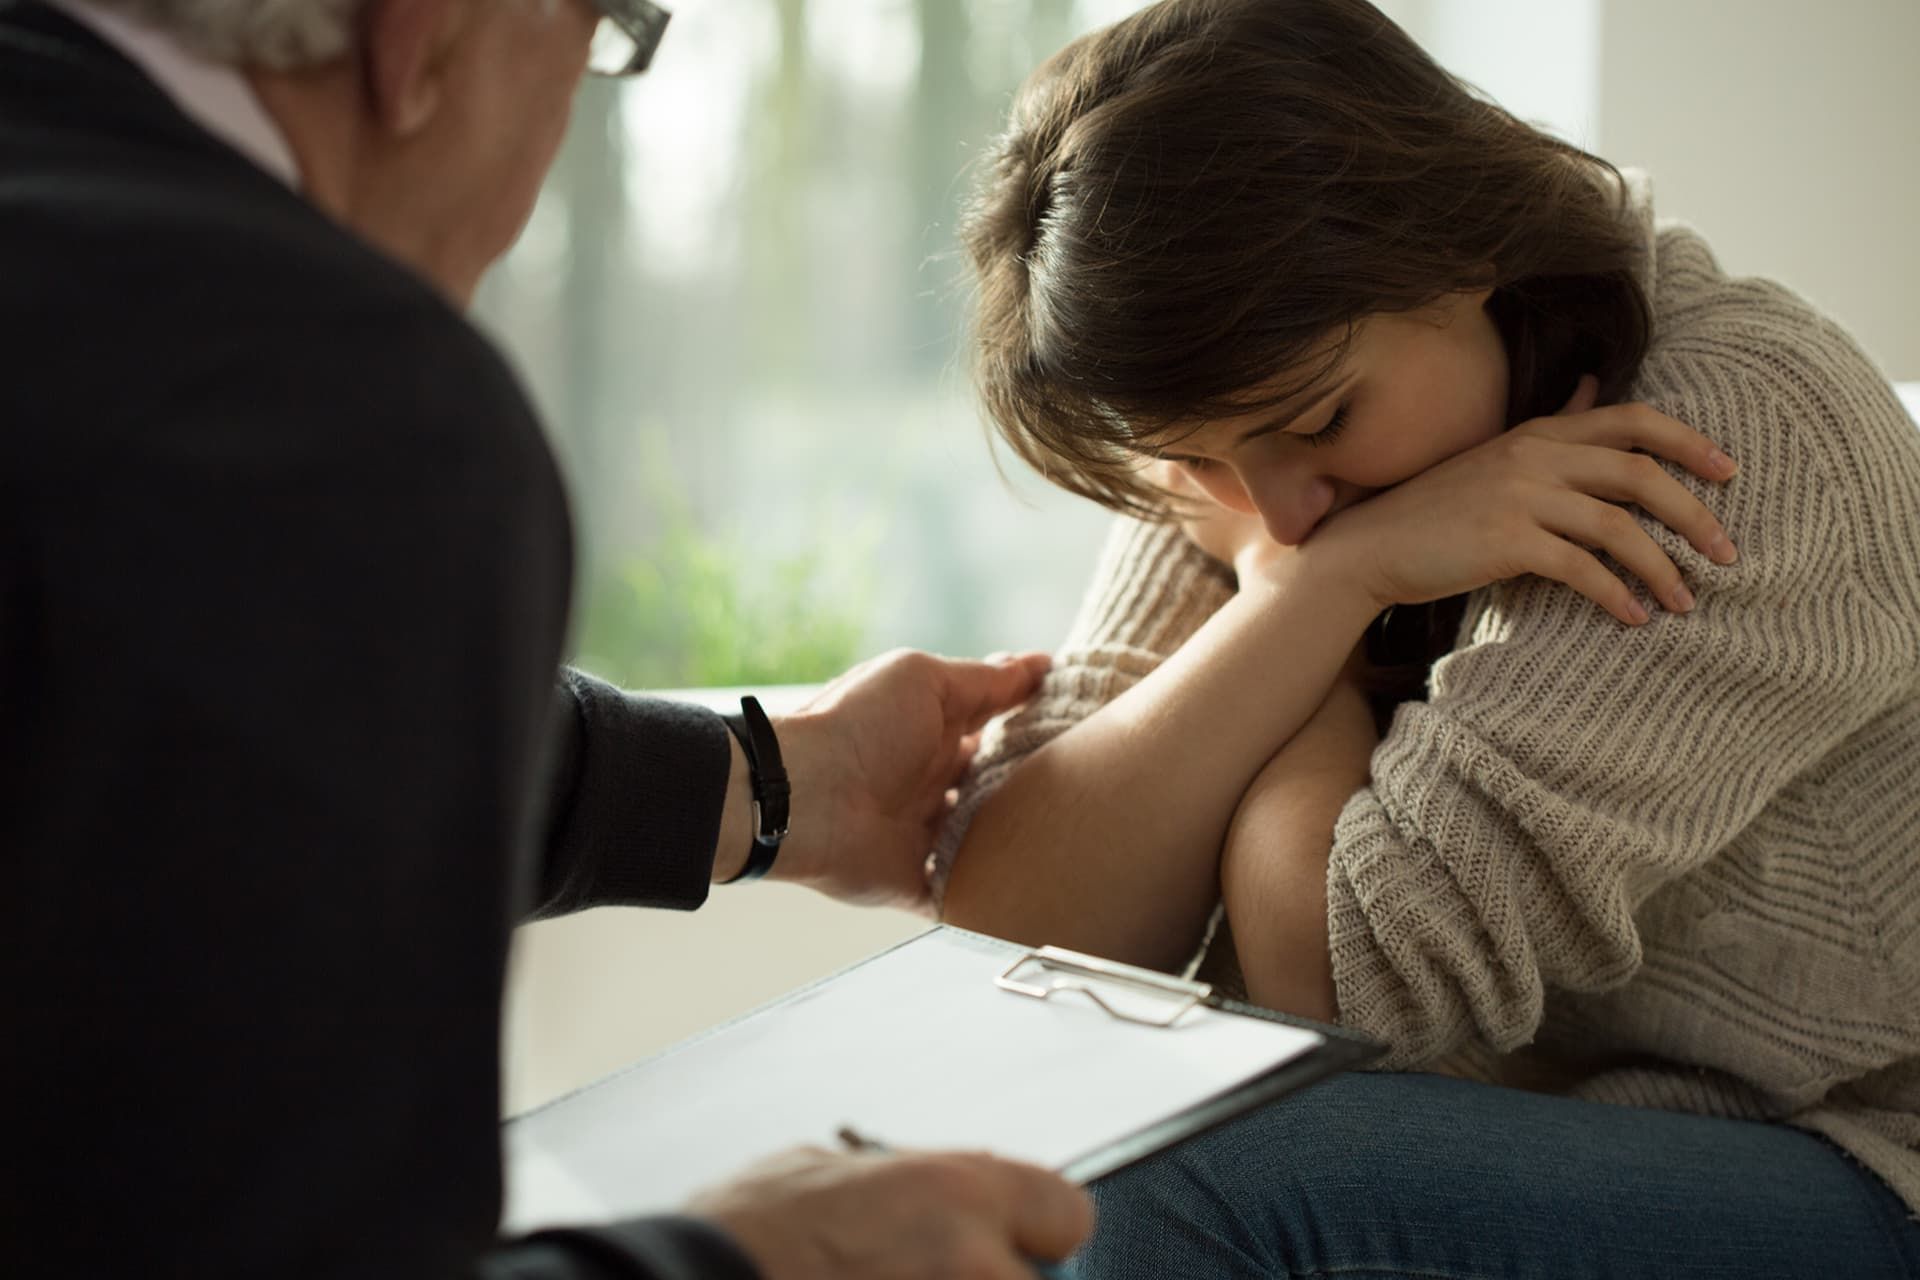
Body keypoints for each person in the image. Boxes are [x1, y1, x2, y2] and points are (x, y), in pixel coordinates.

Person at [0, 0, 1093, 1276]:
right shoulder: (320, 404)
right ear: (429, 36)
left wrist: (784, 784)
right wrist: (755, 1258)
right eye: (595, 43)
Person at [933, 0, 1920, 1275]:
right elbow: (1006, 937)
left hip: (1863, 1153)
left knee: (1168, 1179)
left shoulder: (1727, 440)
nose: (1273, 508)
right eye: (1199, 464)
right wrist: (1326, 585)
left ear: (1459, 244)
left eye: (1327, 418)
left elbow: (1333, 992)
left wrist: (1306, 604)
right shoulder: (1256, 438)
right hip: (1540, 1130)